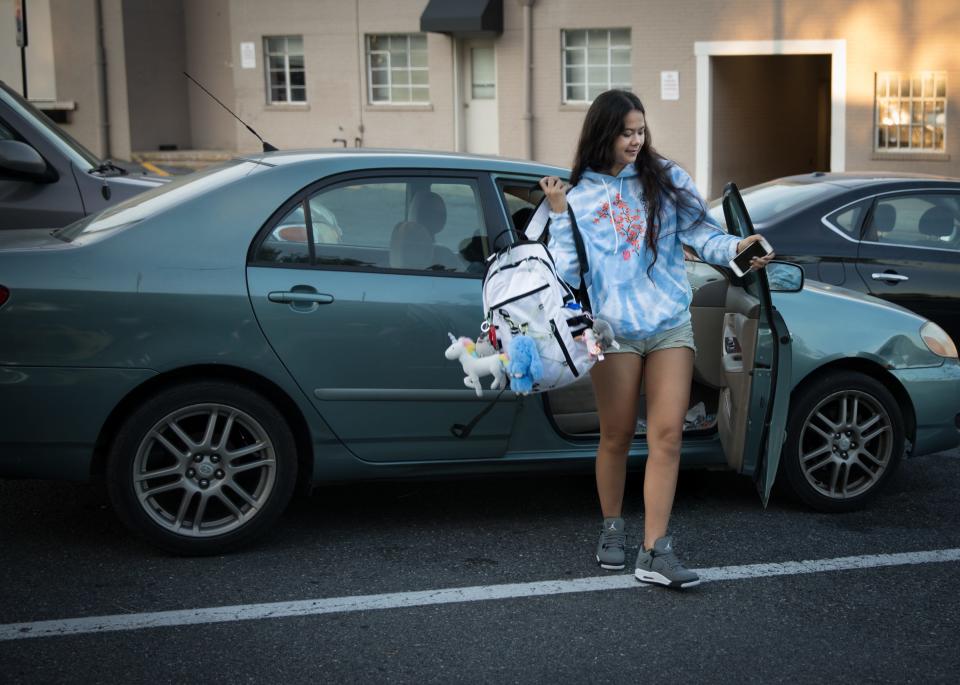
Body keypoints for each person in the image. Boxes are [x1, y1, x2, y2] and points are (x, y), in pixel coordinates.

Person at [539, 89, 774, 589]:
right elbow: (567, 271)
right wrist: (559, 215)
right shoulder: (578, 195)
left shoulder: (667, 180)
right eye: (627, 131)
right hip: (611, 330)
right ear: (605, 133)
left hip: (670, 321)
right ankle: (611, 526)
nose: (636, 140)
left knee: (667, 436)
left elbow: (703, 234)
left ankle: (655, 550)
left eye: (641, 130)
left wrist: (737, 247)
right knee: (617, 436)